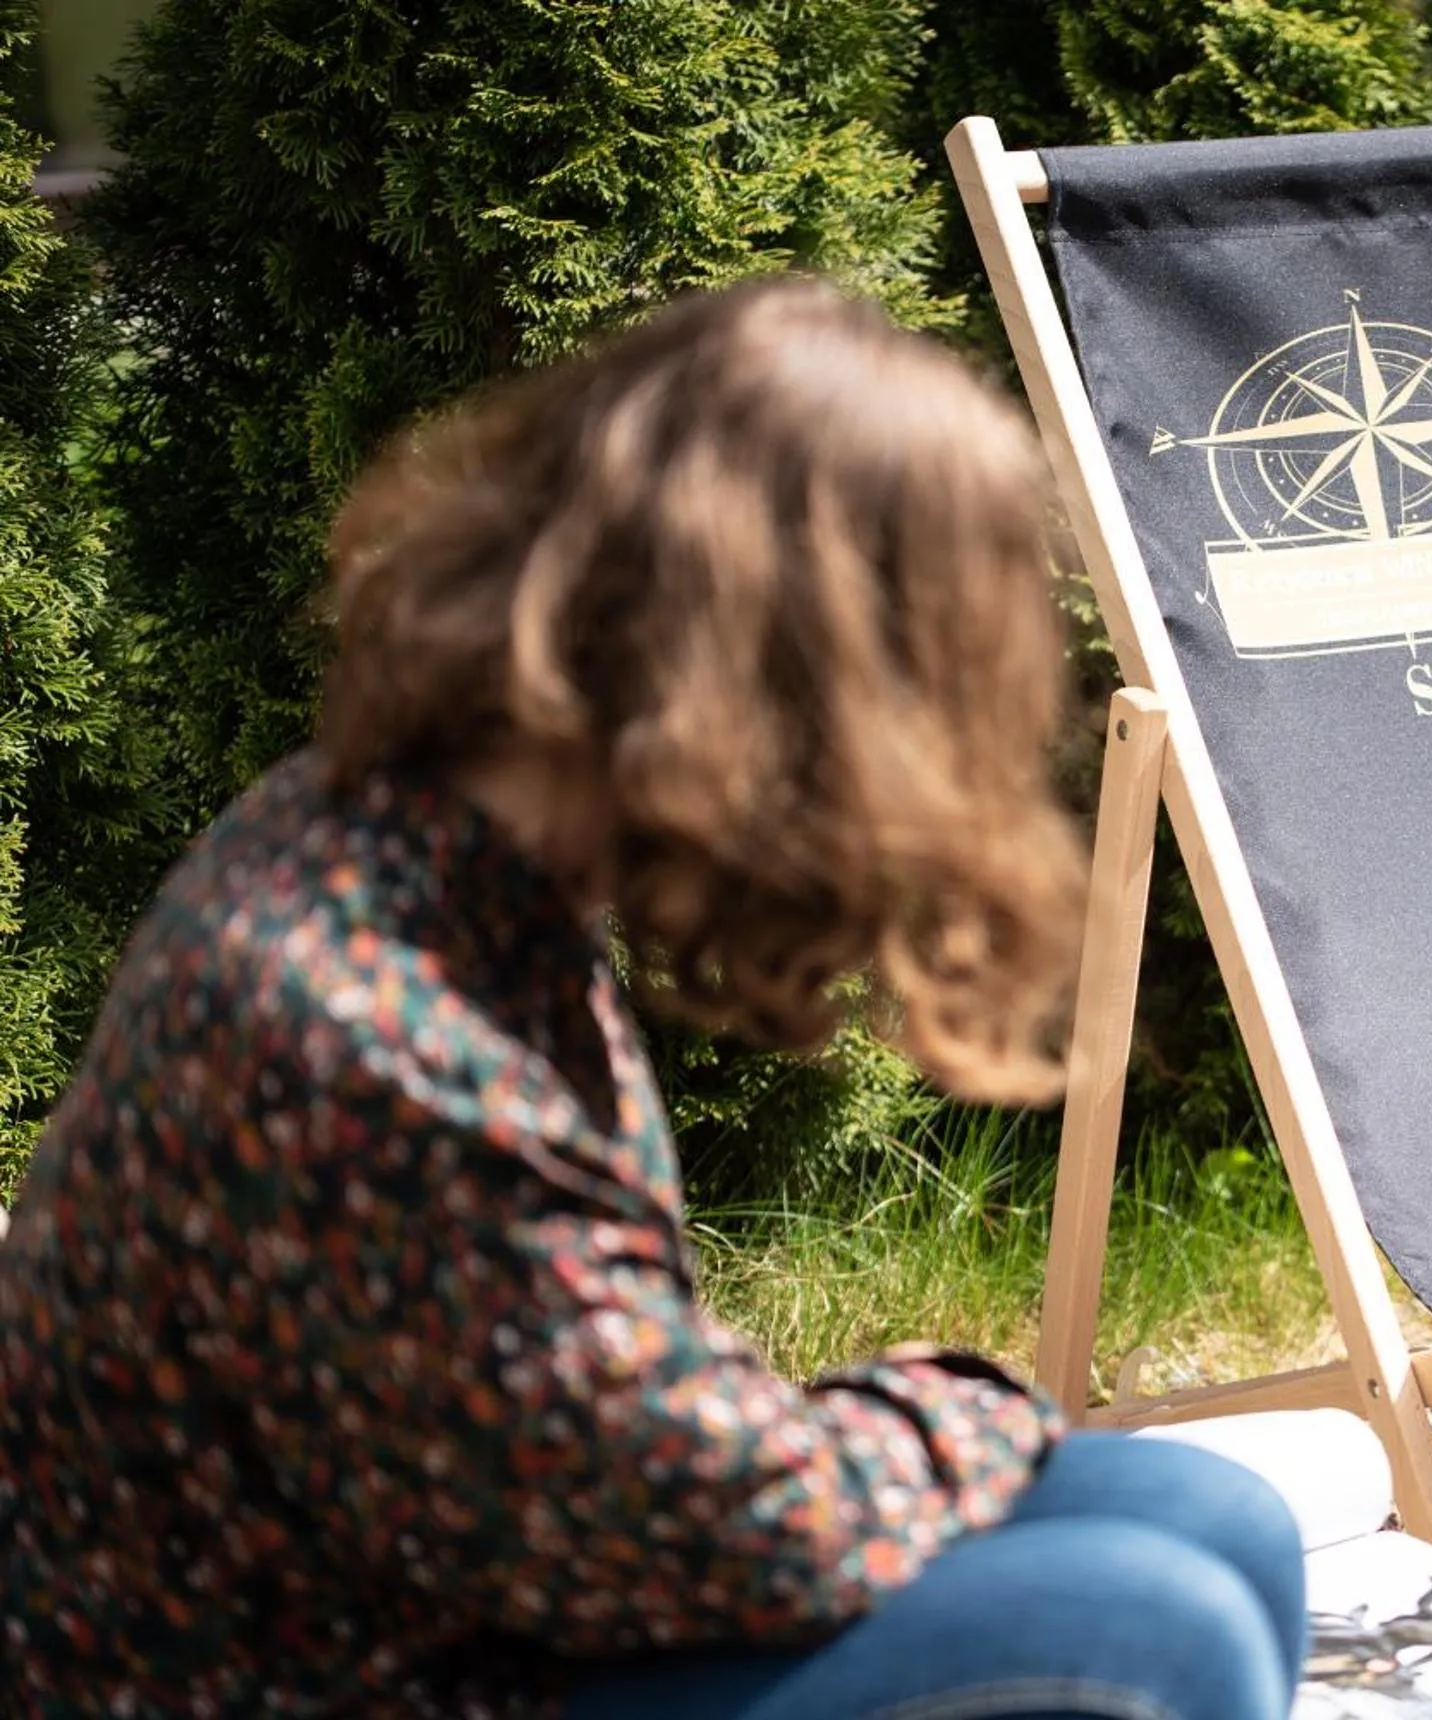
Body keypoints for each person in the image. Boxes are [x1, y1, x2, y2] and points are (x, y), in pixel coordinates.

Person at [0, 278, 1306, 1720]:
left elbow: (599, 1442)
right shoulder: (373, 1040)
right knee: (1150, 1636)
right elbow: (738, 1528)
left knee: (1222, 1523)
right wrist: (964, 1408)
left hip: (468, 1585)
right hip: (316, 1681)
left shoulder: (402, 840)